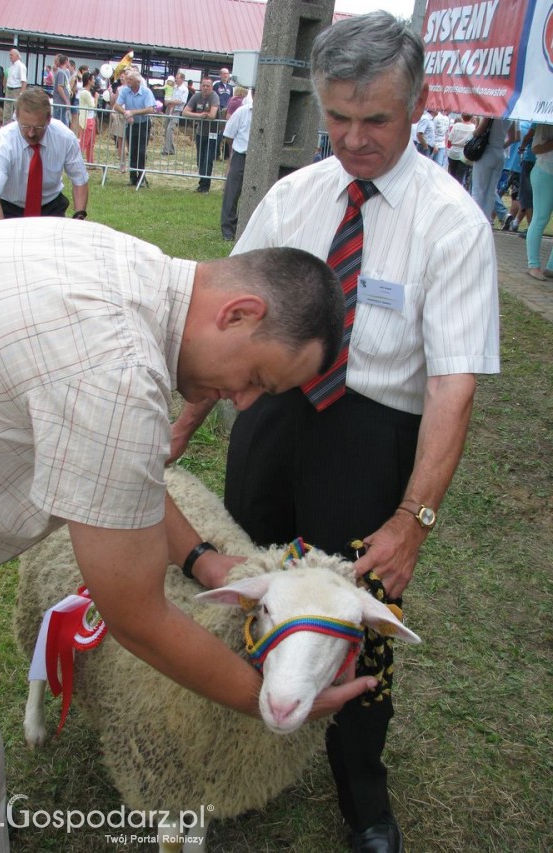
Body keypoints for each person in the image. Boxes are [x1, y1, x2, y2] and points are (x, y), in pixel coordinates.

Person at [0, 219, 375, 852]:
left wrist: (202, 559)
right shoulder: (121, 375)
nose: (243, 403)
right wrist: (264, 699)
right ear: (239, 314)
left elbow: (117, 469)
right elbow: (135, 617)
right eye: (258, 380)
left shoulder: (121, 264)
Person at [170, 12, 500, 853]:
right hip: (272, 421)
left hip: (372, 440)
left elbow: (450, 386)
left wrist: (411, 518)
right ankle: (233, 750)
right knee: (248, 590)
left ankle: (361, 793)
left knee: (358, 621)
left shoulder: (452, 223)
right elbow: (224, 321)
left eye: (376, 121)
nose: (353, 139)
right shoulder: (292, 195)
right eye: (339, 118)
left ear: (420, 104)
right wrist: (181, 424)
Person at [0, 88, 89, 220]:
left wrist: (79, 216)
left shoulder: (65, 138)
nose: (31, 133)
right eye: (25, 126)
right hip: (10, 207)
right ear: (17, 116)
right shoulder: (2, 142)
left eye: (38, 127)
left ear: (48, 119)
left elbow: (80, 180)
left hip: (51, 207)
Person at [114, 69, 156, 186]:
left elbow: (150, 109)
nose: (127, 81)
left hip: (143, 123)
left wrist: (133, 113)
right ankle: (133, 178)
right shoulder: (125, 91)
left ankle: (141, 178)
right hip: (131, 124)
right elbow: (116, 106)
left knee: (141, 151)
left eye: (130, 79)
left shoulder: (146, 92)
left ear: (137, 81)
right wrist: (126, 113)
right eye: (127, 79)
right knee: (132, 151)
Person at [220, 97, 253, 241]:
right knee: (232, 194)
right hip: (241, 155)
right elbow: (229, 135)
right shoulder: (242, 112)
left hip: (259, 156)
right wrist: (234, 153)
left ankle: (246, 228)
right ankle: (228, 230)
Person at [471, 116, 513, 221]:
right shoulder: (512, 114)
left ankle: (475, 220)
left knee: (478, 190)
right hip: (499, 153)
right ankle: (486, 220)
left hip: (486, 151)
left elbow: (479, 131)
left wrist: (475, 127)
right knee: (491, 192)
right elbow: (514, 137)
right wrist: (501, 145)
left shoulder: (492, 111)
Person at [525, 123, 553, 280]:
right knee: (541, 218)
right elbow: (535, 148)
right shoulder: (546, 121)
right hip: (544, 172)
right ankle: (533, 265)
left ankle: (551, 267)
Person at [183, 76, 220, 193]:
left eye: (208, 86)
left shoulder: (214, 96)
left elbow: (213, 115)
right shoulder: (196, 96)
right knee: (200, 159)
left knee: (208, 159)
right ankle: (202, 183)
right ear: (200, 86)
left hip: (212, 133)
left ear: (211, 87)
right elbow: (184, 112)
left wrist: (204, 114)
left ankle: (205, 186)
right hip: (200, 132)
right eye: (203, 85)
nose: (205, 88)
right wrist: (199, 115)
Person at [161, 71, 188, 155]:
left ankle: (167, 150)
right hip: (169, 109)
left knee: (170, 129)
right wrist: (167, 101)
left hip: (177, 111)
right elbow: (169, 95)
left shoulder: (184, 89)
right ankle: (171, 149)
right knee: (167, 129)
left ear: (182, 79)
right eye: (176, 78)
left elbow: (182, 101)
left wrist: (170, 101)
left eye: (177, 78)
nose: (176, 79)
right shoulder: (173, 87)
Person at [446, 112, 476, 186]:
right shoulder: (473, 127)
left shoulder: (456, 125)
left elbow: (450, 139)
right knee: (460, 175)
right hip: (464, 153)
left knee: (451, 173)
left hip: (453, 151)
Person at [78, 70, 98, 164]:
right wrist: (96, 98)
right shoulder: (85, 93)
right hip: (87, 119)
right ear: (89, 81)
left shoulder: (87, 92)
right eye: (93, 79)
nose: (94, 81)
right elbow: (93, 105)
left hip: (90, 118)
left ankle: (90, 161)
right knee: (84, 141)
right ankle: (77, 159)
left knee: (91, 142)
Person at [3, 48, 27, 124]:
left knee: (17, 110)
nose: (10, 56)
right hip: (9, 89)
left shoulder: (21, 66)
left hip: (17, 90)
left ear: (17, 55)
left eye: (11, 55)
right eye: (10, 55)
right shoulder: (11, 67)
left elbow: (24, 81)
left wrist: (21, 93)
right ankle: (6, 127)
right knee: (7, 111)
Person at [52, 53, 71, 126]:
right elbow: (59, 88)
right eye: (68, 61)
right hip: (60, 103)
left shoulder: (63, 72)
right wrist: (66, 101)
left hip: (62, 103)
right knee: (60, 125)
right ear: (66, 61)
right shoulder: (61, 73)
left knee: (63, 123)